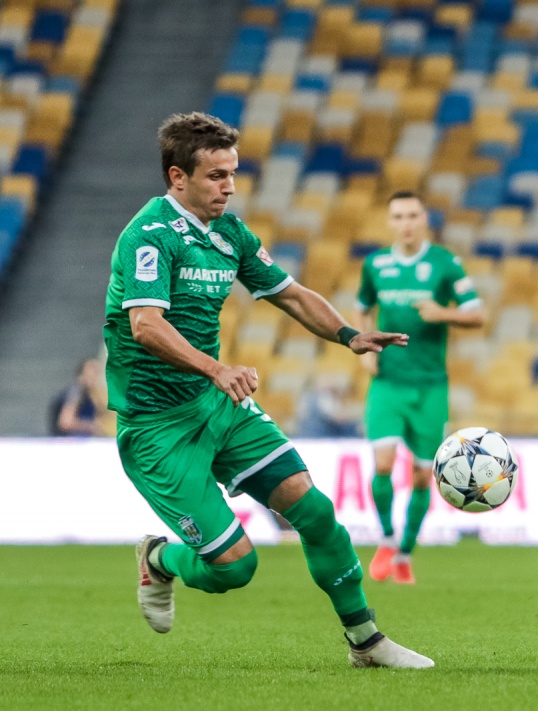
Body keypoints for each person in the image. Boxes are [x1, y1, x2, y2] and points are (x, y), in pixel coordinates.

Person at [103, 112, 432, 668]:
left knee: (316, 512)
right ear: (178, 177)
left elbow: (292, 294)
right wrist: (216, 368)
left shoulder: (230, 233)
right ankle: (159, 559)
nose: (229, 186)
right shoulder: (148, 236)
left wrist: (349, 336)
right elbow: (146, 326)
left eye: (233, 173)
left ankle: (366, 642)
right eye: (216, 176)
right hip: (157, 426)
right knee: (234, 567)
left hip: (219, 407)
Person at [356, 191, 484, 584]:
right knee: (382, 463)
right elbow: (363, 307)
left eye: (412, 215)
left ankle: (405, 554)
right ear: (389, 222)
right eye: (398, 216)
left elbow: (477, 314)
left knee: (422, 477)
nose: (406, 223)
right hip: (388, 383)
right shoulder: (375, 264)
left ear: (424, 219)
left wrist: (443, 313)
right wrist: (365, 348)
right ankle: (387, 540)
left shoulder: (445, 263)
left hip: (430, 387)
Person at [50, 357, 110, 436]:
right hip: (67, 439)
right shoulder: (75, 392)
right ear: (82, 374)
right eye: (93, 371)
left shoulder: (89, 394)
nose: (96, 376)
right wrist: (91, 426)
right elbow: (66, 422)